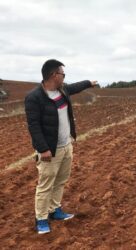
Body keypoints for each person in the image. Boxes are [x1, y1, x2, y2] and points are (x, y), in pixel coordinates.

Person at [24, 59, 97, 234]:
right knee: (46, 184)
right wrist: (43, 149)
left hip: (66, 146)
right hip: (50, 150)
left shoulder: (62, 90)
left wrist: (88, 83)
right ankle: (41, 219)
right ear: (53, 75)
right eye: (62, 74)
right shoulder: (34, 98)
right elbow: (33, 126)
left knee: (61, 181)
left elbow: (75, 87)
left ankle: (54, 210)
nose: (64, 77)